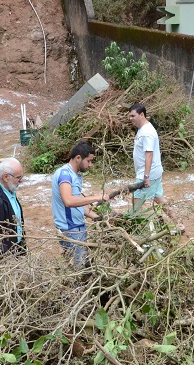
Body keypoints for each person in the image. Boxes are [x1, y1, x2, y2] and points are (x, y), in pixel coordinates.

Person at [51, 142, 121, 266]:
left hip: (78, 227)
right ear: (78, 158)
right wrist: (96, 197)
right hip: (71, 230)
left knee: (83, 265)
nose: (90, 165)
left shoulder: (74, 175)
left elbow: (77, 204)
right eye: (88, 161)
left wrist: (97, 217)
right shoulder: (65, 175)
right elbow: (69, 201)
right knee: (79, 269)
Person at [128, 102, 183, 232]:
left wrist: (145, 177)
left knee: (136, 203)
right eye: (129, 116)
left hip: (149, 174)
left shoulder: (147, 132)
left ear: (142, 114)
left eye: (132, 116)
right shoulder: (144, 129)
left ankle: (133, 230)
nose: (130, 119)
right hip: (153, 172)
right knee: (159, 199)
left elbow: (149, 155)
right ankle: (178, 224)